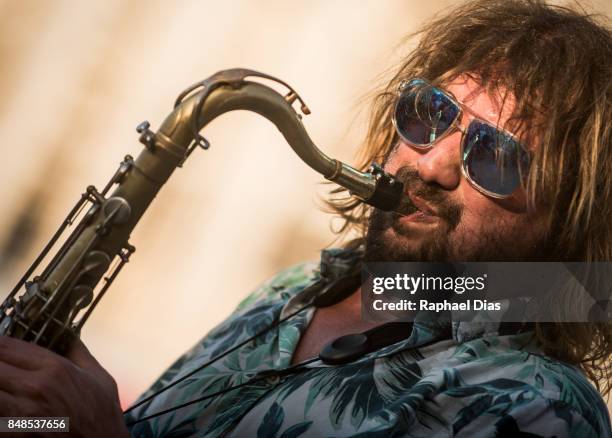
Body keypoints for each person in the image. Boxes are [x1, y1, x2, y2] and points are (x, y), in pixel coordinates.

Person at [0, 0, 611, 436]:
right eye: (430, 113)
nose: (431, 166)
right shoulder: (292, 291)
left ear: (572, 226)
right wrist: (42, 415)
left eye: (497, 158)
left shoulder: (542, 407)